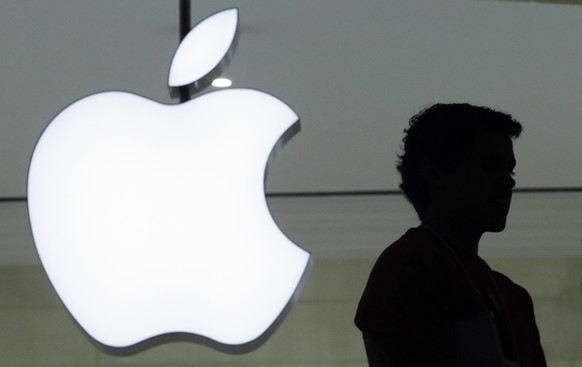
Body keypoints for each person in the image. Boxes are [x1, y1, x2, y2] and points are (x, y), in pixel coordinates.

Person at [355, 103, 547, 367]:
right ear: (435, 172)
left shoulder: (514, 298)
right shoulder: (409, 268)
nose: (508, 181)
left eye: (510, 170)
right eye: (490, 166)